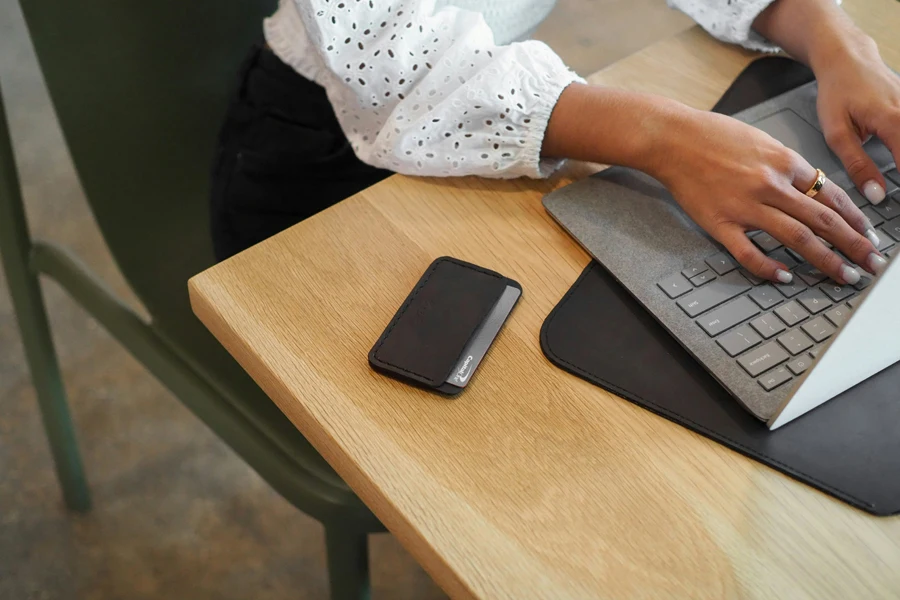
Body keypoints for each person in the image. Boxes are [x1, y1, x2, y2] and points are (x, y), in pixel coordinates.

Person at [211, 0, 899, 288]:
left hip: (509, 127)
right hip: (325, 160)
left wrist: (833, 37)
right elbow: (403, 67)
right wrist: (666, 136)